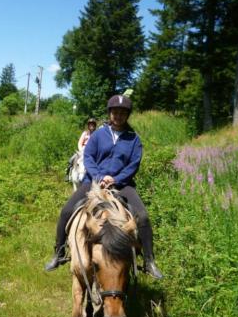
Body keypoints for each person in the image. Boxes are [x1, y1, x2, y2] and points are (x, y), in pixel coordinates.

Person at [45, 95, 163, 279]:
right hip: (93, 182)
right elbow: (89, 157)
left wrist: (115, 179)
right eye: (115, 112)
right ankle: (59, 253)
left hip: (123, 185)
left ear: (127, 115)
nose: (118, 116)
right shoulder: (98, 134)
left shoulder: (134, 139)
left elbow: (133, 164)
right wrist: (99, 177)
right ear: (109, 113)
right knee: (67, 211)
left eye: (123, 113)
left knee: (143, 217)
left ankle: (149, 261)